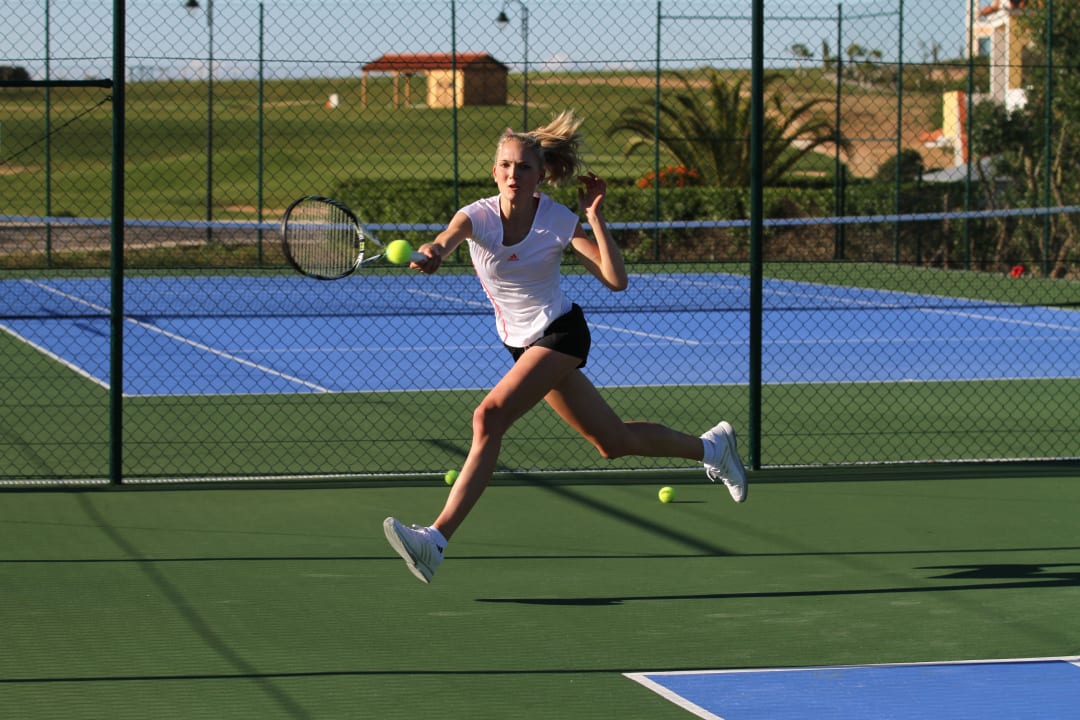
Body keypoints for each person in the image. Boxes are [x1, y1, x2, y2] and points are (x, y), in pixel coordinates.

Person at [383, 111, 747, 584]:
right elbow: (446, 240)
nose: (514, 174)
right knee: (612, 442)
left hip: (561, 333)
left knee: (488, 417)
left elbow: (616, 280)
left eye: (524, 167)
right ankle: (712, 448)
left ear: (540, 175)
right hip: (522, 345)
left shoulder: (557, 219)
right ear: (494, 172)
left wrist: (594, 217)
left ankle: (435, 540)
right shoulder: (477, 217)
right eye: (505, 166)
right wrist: (433, 252)